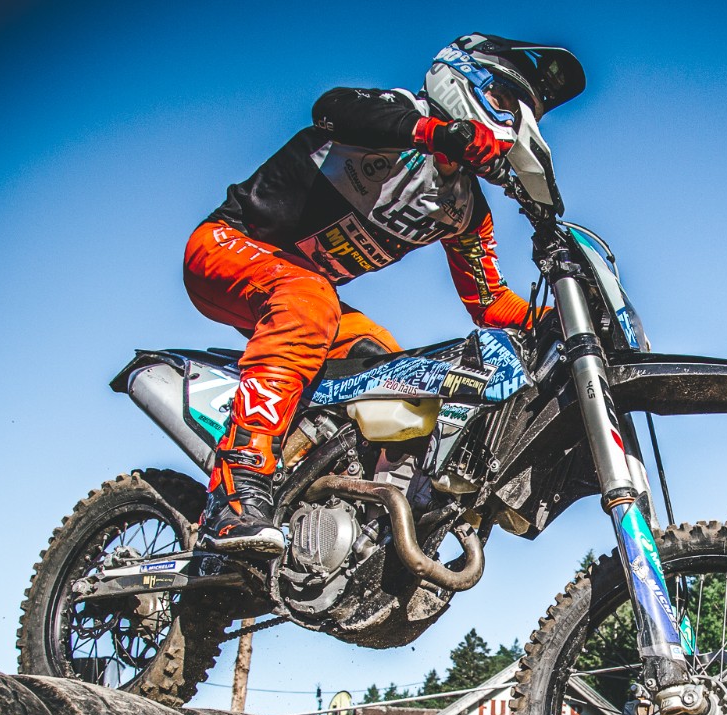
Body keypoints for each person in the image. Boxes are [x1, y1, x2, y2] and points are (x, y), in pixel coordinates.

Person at [184, 34, 584, 552]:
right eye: (505, 99)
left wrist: (557, 319)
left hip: (309, 299)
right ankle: (237, 488)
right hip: (227, 248)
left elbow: (490, 304)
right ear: (465, 78)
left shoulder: (464, 209)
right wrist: (434, 133)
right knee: (309, 297)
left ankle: (349, 518)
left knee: (398, 374)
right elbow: (331, 108)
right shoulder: (398, 116)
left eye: (523, 113)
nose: (511, 119)